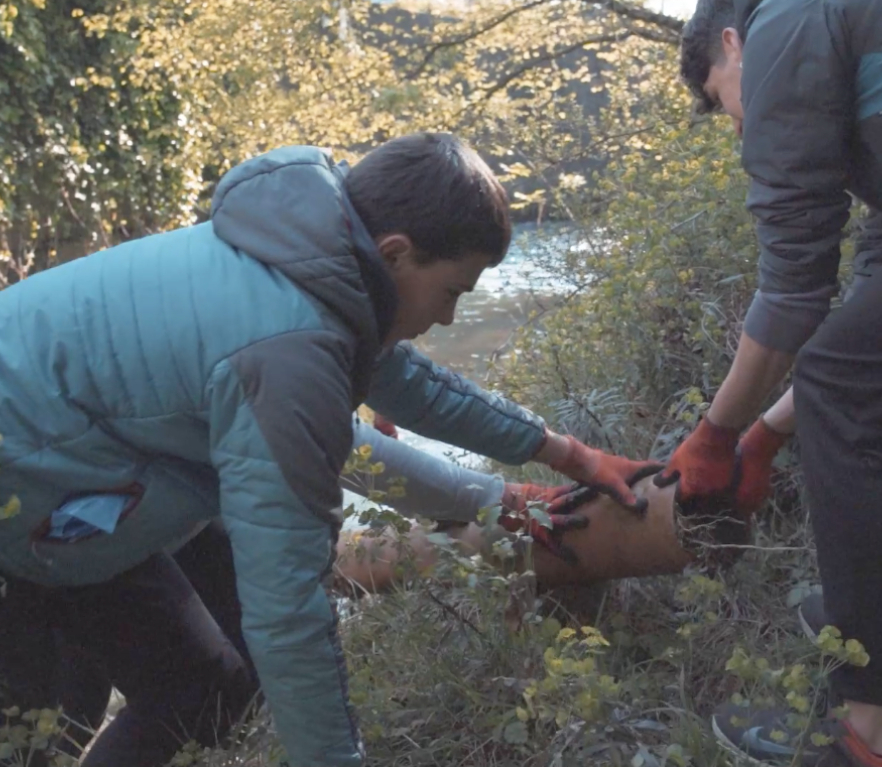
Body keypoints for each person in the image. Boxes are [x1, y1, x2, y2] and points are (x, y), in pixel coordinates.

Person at [0, 131, 662, 767]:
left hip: (89, 468)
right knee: (122, 709)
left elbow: (406, 391)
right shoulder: (289, 348)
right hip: (34, 491)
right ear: (396, 253)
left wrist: (564, 459)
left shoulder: (303, 256)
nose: (449, 319)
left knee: (215, 683)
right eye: (452, 291)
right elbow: (287, 606)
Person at [660, 1, 882, 764]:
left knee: (844, 384)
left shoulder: (790, 23)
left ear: (733, 44)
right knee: (846, 374)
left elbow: (794, 291)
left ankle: (867, 734)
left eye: (727, 103)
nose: (741, 131)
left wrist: (715, 436)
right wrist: (771, 427)